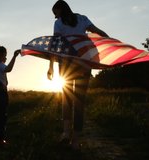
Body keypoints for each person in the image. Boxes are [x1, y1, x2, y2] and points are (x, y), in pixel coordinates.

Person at [47, 0, 109, 150]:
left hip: (66, 62)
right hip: (84, 61)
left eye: (55, 13)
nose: (55, 17)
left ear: (60, 9)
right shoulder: (82, 18)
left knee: (67, 99)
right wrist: (110, 40)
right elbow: (97, 31)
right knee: (79, 101)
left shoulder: (59, 23)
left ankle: (66, 133)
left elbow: (55, 45)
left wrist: (50, 67)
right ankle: (75, 141)